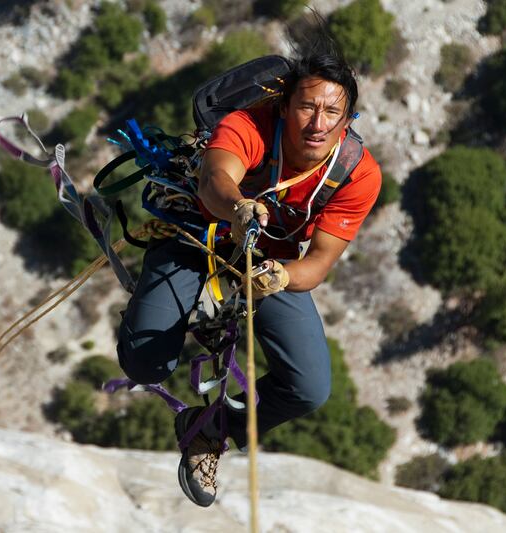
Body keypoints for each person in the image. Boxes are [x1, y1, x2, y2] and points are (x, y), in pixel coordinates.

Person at [116, 23, 382, 507]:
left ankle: (207, 431)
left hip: (268, 265)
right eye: (307, 107)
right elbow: (216, 179)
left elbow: (317, 264)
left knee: (309, 387)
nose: (317, 122)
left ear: (347, 119)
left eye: (332, 112)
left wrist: (282, 276)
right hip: (199, 235)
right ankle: (147, 317)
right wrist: (238, 206)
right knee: (145, 362)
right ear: (285, 106)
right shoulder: (249, 125)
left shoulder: (357, 174)